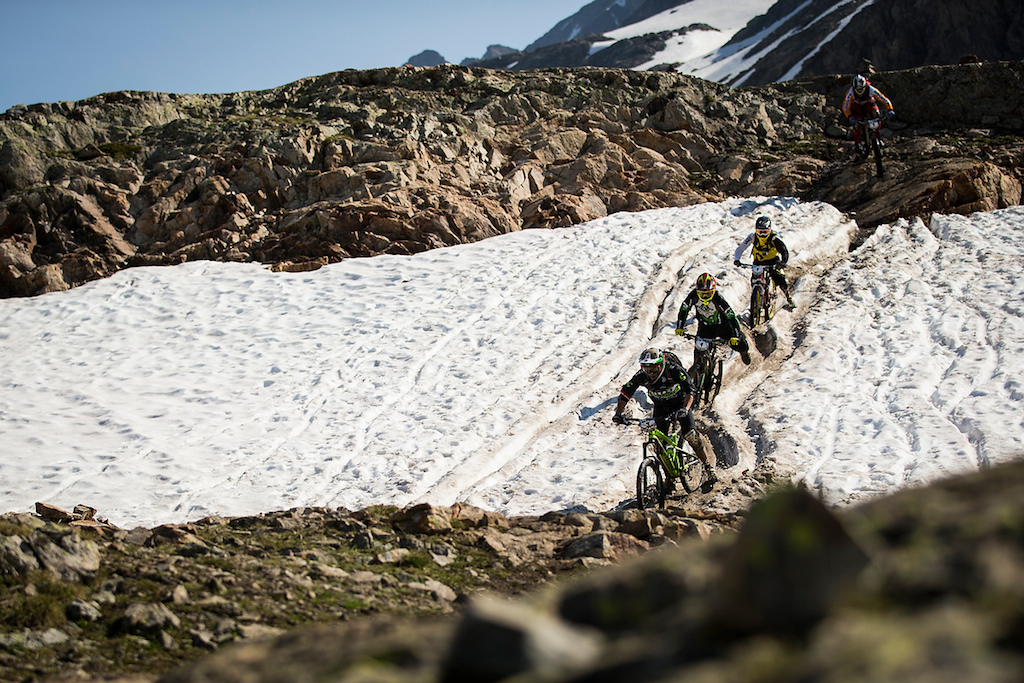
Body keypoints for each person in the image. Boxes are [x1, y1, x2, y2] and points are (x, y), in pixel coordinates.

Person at [611, 347, 717, 485]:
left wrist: (685, 408)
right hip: (661, 407)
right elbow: (626, 392)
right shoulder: (641, 375)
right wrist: (618, 413)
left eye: (654, 370)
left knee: (690, 434)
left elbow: (690, 389)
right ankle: (669, 479)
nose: (650, 374)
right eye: (646, 370)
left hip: (680, 404)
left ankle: (708, 467)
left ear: (661, 366)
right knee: (659, 445)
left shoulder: (673, 370)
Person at [674, 272, 751, 365]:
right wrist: (679, 327)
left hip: (723, 326)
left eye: (708, 294)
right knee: (698, 353)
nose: (705, 297)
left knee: (738, 343)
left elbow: (731, 317)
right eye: (702, 294)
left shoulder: (718, 299)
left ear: (714, 290)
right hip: (705, 327)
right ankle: (698, 371)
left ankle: (744, 352)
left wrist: (736, 335)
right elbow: (684, 310)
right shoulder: (693, 296)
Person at [733, 215, 795, 309]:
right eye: (759, 231)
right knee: (754, 279)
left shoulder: (774, 238)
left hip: (773, 262)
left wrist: (783, 262)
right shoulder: (752, 237)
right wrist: (737, 259)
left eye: (765, 232)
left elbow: (783, 250)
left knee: (781, 279)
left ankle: (788, 296)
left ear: (769, 230)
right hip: (758, 262)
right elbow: (740, 248)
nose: (762, 234)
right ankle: (756, 294)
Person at [842, 74, 895, 147]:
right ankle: (857, 143)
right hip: (856, 106)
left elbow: (883, 98)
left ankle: (877, 136)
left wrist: (890, 109)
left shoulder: (871, 89)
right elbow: (845, 106)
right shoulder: (850, 92)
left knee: (876, 114)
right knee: (856, 124)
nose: (859, 91)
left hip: (868, 104)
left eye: (861, 89)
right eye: (857, 89)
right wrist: (850, 116)